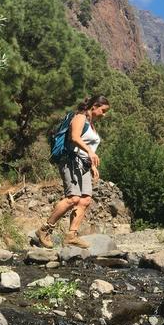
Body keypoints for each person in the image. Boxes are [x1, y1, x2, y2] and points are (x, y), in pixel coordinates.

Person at [35, 95, 110, 249]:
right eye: (103, 110)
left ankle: (71, 236)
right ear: (94, 106)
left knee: (85, 200)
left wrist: (92, 165)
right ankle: (44, 229)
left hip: (83, 165)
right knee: (73, 198)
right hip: (70, 160)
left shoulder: (91, 124)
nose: (104, 114)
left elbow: (87, 146)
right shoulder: (80, 117)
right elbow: (74, 137)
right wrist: (90, 151)